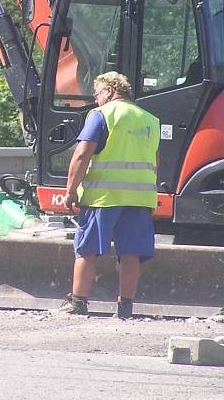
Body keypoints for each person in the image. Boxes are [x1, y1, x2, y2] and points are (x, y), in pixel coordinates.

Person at [60, 72, 160, 319]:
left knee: (87, 249)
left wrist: (71, 191)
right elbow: (156, 160)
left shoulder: (102, 115)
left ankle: (78, 302)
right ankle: (125, 308)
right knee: (131, 253)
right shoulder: (150, 120)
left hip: (103, 197)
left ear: (108, 91)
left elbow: (82, 155)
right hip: (140, 199)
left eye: (97, 94)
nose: (95, 100)